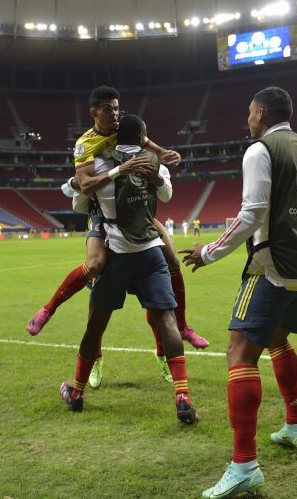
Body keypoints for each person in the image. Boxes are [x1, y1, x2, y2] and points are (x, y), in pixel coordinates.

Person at [182, 87, 297, 498]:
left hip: (274, 266)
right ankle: (295, 427)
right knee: (278, 339)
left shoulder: (260, 149)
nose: (247, 119)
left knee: (239, 352)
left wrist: (209, 251)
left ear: (261, 112)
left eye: (249, 112)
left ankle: (244, 465)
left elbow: (252, 212)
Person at [27, 86, 208, 356]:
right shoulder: (84, 144)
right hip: (103, 213)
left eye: (116, 107)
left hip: (134, 211)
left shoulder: (125, 128)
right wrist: (119, 169)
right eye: (108, 109)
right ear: (93, 113)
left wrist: (168, 155)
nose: (114, 113)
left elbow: (151, 146)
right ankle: (48, 309)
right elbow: (85, 184)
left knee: (171, 259)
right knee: (97, 264)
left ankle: (182, 327)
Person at [58, 114, 199, 424]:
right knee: (167, 321)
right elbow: (166, 195)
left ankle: (78, 392)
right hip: (150, 253)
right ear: (145, 136)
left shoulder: (100, 164)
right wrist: (157, 171)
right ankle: (183, 396)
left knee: (96, 325)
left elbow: (78, 199)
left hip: (117, 255)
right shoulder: (155, 163)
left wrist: (77, 184)